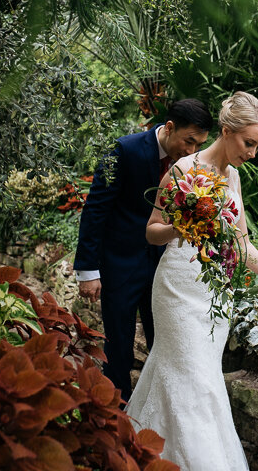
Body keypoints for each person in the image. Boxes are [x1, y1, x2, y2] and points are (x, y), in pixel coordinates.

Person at [128, 91, 258, 471]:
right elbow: (152, 232)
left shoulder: (234, 177)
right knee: (196, 384)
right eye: (249, 143)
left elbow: (239, 244)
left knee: (191, 379)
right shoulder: (182, 170)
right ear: (226, 132)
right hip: (177, 290)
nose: (253, 153)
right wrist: (182, 226)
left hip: (214, 295)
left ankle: (147, 460)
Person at [75, 98, 212, 402]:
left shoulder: (195, 164)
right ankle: (115, 418)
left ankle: (158, 413)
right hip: (120, 265)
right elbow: (95, 209)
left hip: (165, 270)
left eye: (199, 144)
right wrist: (88, 270)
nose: (191, 151)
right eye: (189, 141)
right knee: (119, 349)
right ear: (170, 127)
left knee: (164, 344)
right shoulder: (124, 149)